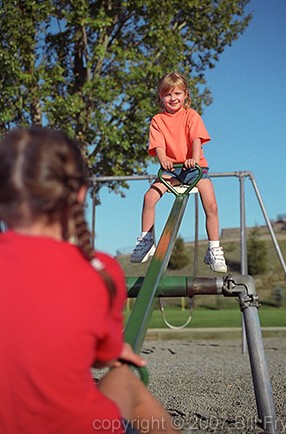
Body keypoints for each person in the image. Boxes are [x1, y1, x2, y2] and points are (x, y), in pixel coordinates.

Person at [0, 126, 180, 434]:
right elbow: (104, 356)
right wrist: (112, 351)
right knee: (124, 381)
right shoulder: (101, 270)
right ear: (81, 192)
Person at [130, 72, 227, 273]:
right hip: (171, 172)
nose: (173, 98)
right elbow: (158, 145)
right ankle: (146, 240)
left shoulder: (191, 115)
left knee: (211, 204)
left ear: (185, 95)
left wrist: (193, 158)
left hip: (194, 169)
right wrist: (163, 159)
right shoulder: (157, 120)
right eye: (167, 95)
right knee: (149, 198)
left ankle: (214, 248)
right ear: (160, 97)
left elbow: (196, 140)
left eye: (177, 93)